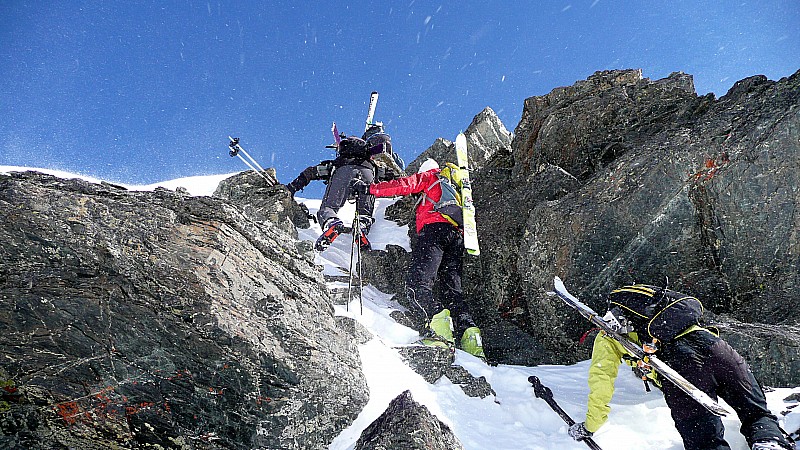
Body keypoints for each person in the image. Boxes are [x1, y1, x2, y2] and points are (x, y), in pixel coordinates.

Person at [568, 284, 794, 450]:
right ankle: (769, 442)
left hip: (681, 368)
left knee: (706, 443)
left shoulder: (608, 336)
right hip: (719, 349)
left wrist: (590, 425)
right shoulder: (666, 313)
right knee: (756, 414)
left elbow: (601, 383)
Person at [351, 158, 485, 358]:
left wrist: (370, 189)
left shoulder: (430, 176)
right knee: (453, 292)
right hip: (456, 238)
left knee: (417, 284)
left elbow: (403, 185)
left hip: (434, 232)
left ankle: (439, 333)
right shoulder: (454, 186)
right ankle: (472, 340)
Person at [286, 123, 402, 251]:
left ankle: (332, 222)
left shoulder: (338, 161)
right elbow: (391, 175)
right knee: (365, 212)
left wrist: (292, 187)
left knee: (328, 207)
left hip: (343, 172)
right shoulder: (371, 162)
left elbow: (311, 172)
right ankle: (362, 225)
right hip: (368, 173)